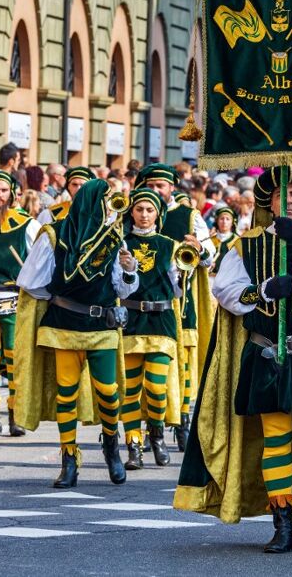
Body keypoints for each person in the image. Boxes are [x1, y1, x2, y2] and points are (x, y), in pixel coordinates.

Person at [175, 166, 292, 554]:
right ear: (271, 202)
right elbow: (226, 291)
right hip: (267, 351)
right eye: (282, 195)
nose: (289, 201)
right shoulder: (247, 245)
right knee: (275, 440)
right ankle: (282, 523)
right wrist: (261, 292)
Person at [15, 179, 139, 488]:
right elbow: (31, 280)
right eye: (106, 201)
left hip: (102, 325)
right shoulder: (55, 234)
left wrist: (128, 270)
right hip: (64, 324)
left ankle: (111, 445)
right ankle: (69, 458)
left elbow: (123, 287)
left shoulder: (113, 239)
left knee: (108, 392)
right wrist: (60, 296)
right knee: (66, 392)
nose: (110, 208)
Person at [134, 163, 214, 451]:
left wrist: (201, 248)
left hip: (181, 301)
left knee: (183, 365)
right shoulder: (134, 211)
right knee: (143, 374)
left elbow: (209, 255)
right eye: (151, 185)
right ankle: (145, 427)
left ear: (171, 188)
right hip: (139, 303)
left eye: (161, 186)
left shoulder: (189, 216)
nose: (155, 191)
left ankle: (182, 419)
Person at [118, 188, 181, 469]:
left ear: (158, 213)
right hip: (131, 320)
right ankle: (133, 444)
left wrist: (185, 273)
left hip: (161, 321)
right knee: (130, 389)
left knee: (156, 388)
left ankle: (156, 433)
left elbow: (178, 291)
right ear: (131, 211)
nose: (144, 215)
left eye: (150, 210)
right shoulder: (120, 243)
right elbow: (116, 285)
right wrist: (127, 269)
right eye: (140, 209)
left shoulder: (170, 244)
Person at [0, 170, 40, 437]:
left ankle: (16, 413)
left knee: (15, 358)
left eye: (4, 190)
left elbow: (39, 261)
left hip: (14, 298)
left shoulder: (27, 224)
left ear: (13, 193)